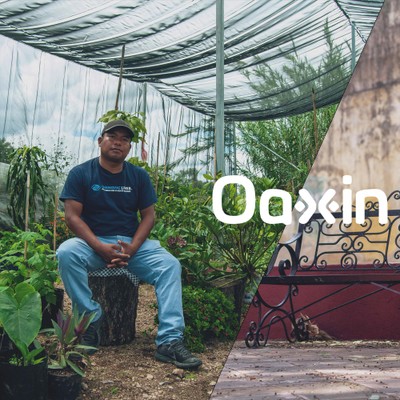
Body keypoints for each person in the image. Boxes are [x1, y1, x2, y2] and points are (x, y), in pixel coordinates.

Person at [56, 119, 202, 370]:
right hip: (92, 243)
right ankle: (90, 319)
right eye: (113, 136)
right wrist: (99, 247)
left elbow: (149, 216)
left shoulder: (138, 176)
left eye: (125, 139)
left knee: (169, 265)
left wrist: (132, 248)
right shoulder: (81, 173)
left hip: (131, 245)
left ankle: (170, 341)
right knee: (66, 253)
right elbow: (72, 217)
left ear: (129, 147)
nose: (118, 142)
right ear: (100, 140)